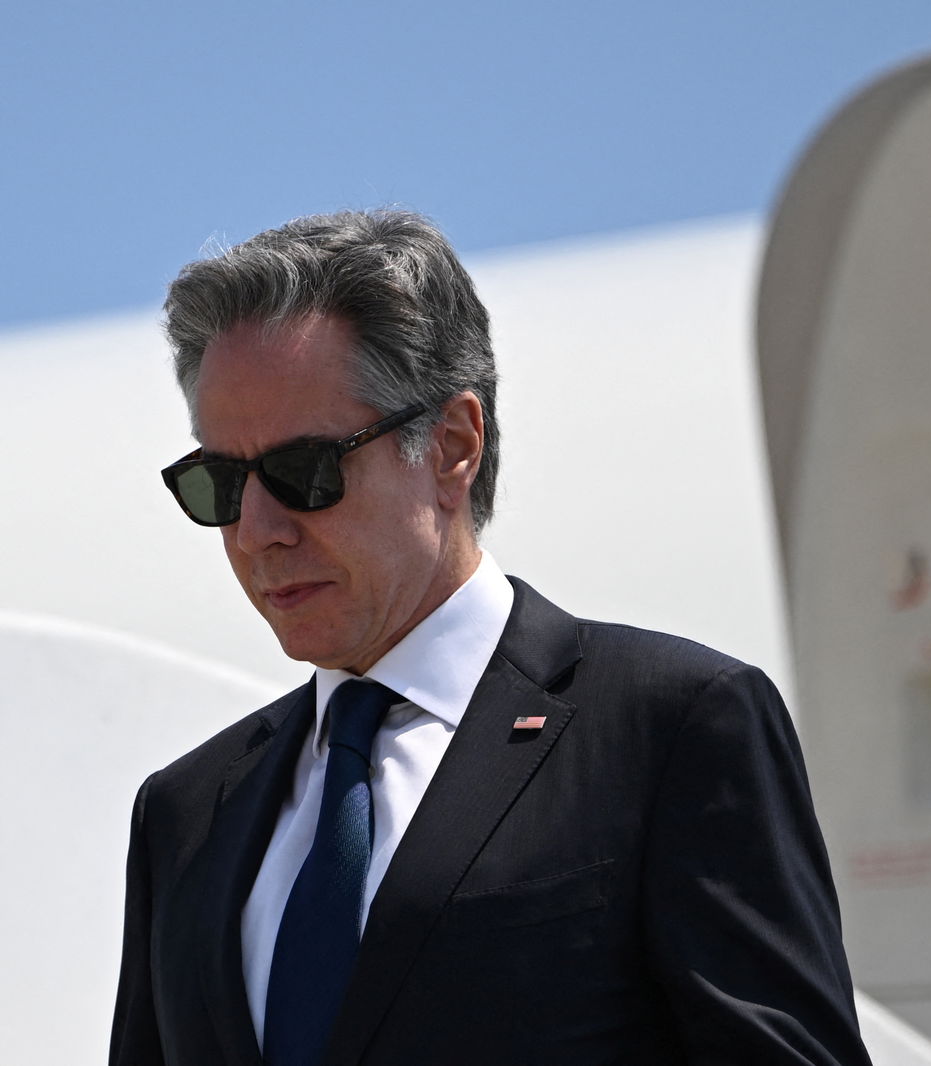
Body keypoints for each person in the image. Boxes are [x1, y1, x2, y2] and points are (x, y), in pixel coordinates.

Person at [110, 209, 871, 1066]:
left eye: (302, 472)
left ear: (451, 446)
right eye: (221, 482)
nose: (256, 531)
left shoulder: (671, 727)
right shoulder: (185, 812)